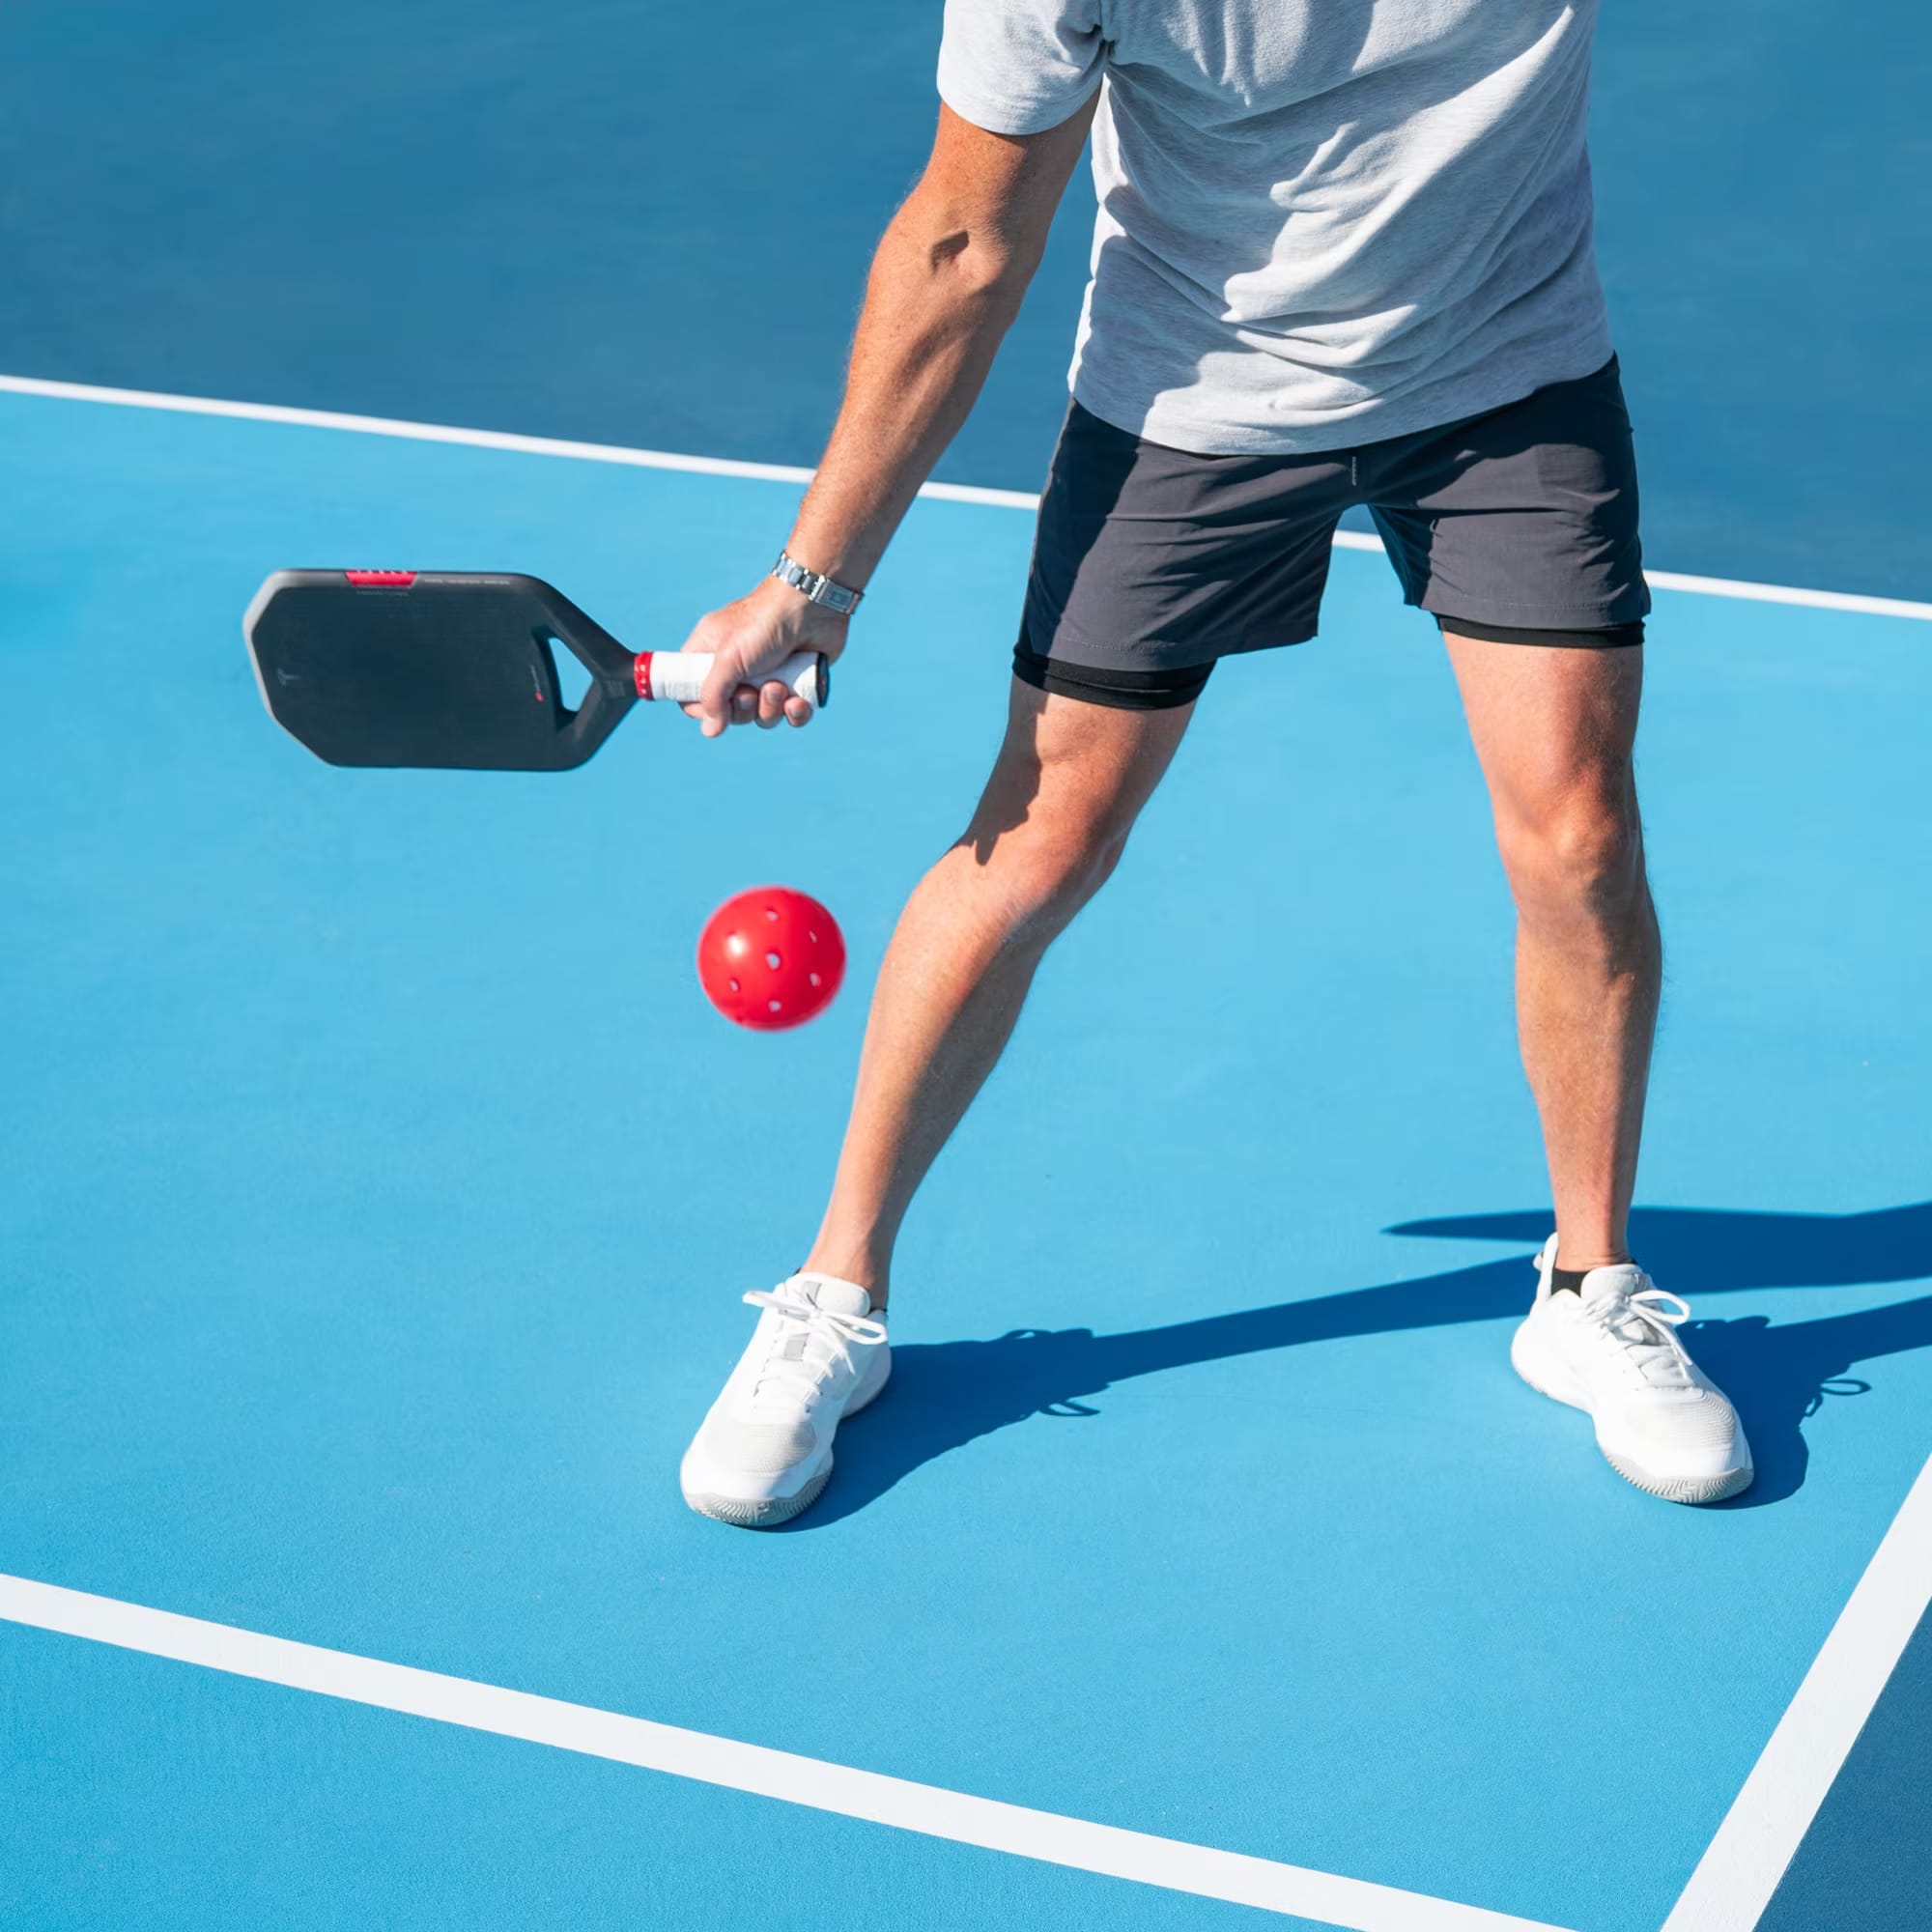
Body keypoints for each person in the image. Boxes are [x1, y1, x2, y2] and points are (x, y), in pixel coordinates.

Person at [672, 0, 1753, 1526]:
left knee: (1579, 837)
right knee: (1041, 840)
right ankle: (833, 1300)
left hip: (1509, 375)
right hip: (1198, 400)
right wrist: (814, 581)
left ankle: (1588, 1290)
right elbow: (964, 245)